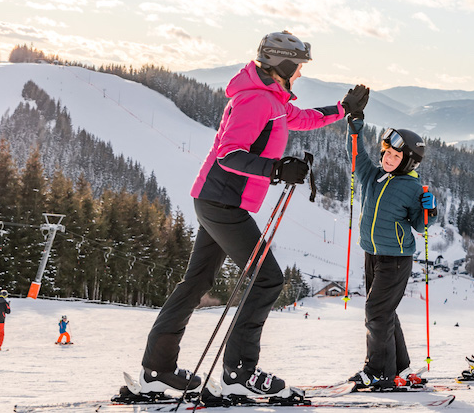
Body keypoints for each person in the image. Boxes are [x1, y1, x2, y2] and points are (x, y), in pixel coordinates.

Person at [139, 31, 358, 398]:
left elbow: (301, 118)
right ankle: (239, 371)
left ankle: (157, 368)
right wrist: (276, 170)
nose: (302, 72)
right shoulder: (255, 100)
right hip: (222, 202)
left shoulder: (272, 98)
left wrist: (343, 109)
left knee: (196, 283)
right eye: (299, 65)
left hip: (220, 200)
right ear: (283, 65)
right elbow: (230, 153)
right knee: (267, 279)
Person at [345, 108, 434, 390]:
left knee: (376, 313)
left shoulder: (412, 186)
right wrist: (355, 128)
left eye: (395, 156)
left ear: (407, 162)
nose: (387, 158)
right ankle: (399, 366)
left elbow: (420, 225)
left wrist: (429, 208)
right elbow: (357, 155)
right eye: (386, 153)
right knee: (385, 313)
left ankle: (378, 371)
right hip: (372, 254)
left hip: (395, 260)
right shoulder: (373, 176)